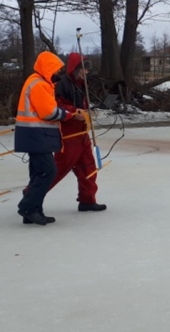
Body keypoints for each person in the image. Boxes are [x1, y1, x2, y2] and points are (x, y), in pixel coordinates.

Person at [14, 51, 86, 226]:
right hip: (37, 135)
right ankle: (28, 207)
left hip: (33, 134)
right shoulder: (40, 84)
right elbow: (49, 112)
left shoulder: (36, 81)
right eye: (56, 69)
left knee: (38, 172)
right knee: (48, 171)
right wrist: (69, 115)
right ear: (48, 68)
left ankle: (34, 211)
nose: (58, 73)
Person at [50, 52, 106, 212]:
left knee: (88, 168)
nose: (86, 73)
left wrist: (89, 111)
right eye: (84, 69)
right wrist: (77, 112)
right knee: (57, 171)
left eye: (87, 70)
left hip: (82, 134)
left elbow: (81, 106)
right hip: (68, 135)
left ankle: (87, 200)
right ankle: (31, 197)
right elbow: (57, 106)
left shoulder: (81, 86)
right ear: (75, 68)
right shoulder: (62, 85)